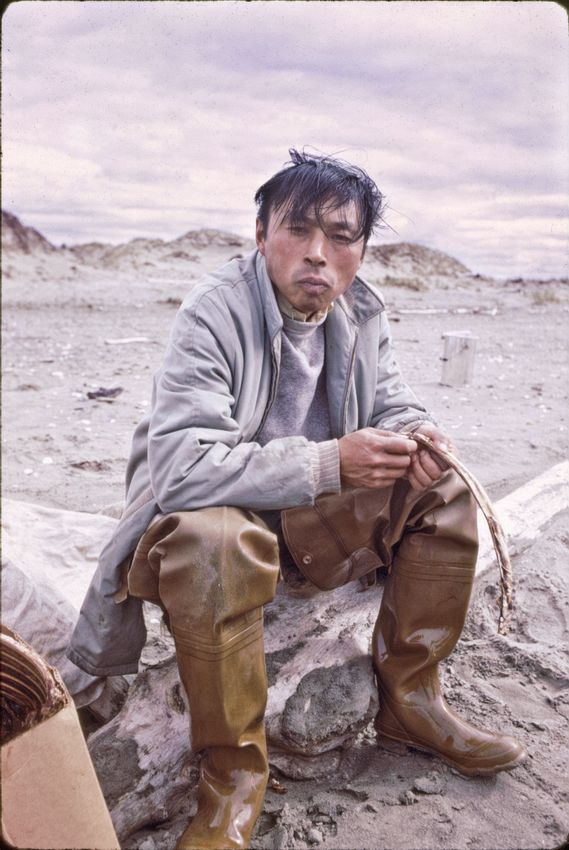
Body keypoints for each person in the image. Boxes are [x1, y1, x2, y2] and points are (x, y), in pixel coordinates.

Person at [69, 149, 526, 850]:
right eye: (298, 230)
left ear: (361, 249)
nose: (318, 254)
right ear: (260, 234)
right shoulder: (212, 311)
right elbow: (183, 470)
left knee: (443, 486)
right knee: (217, 544)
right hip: (205, 526)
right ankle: (234, 777)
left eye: (341, 237)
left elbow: (393, 399)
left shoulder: (362, 311)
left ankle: (410, 701)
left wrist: (414, 431)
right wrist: (329, 461)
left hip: (305, 520)